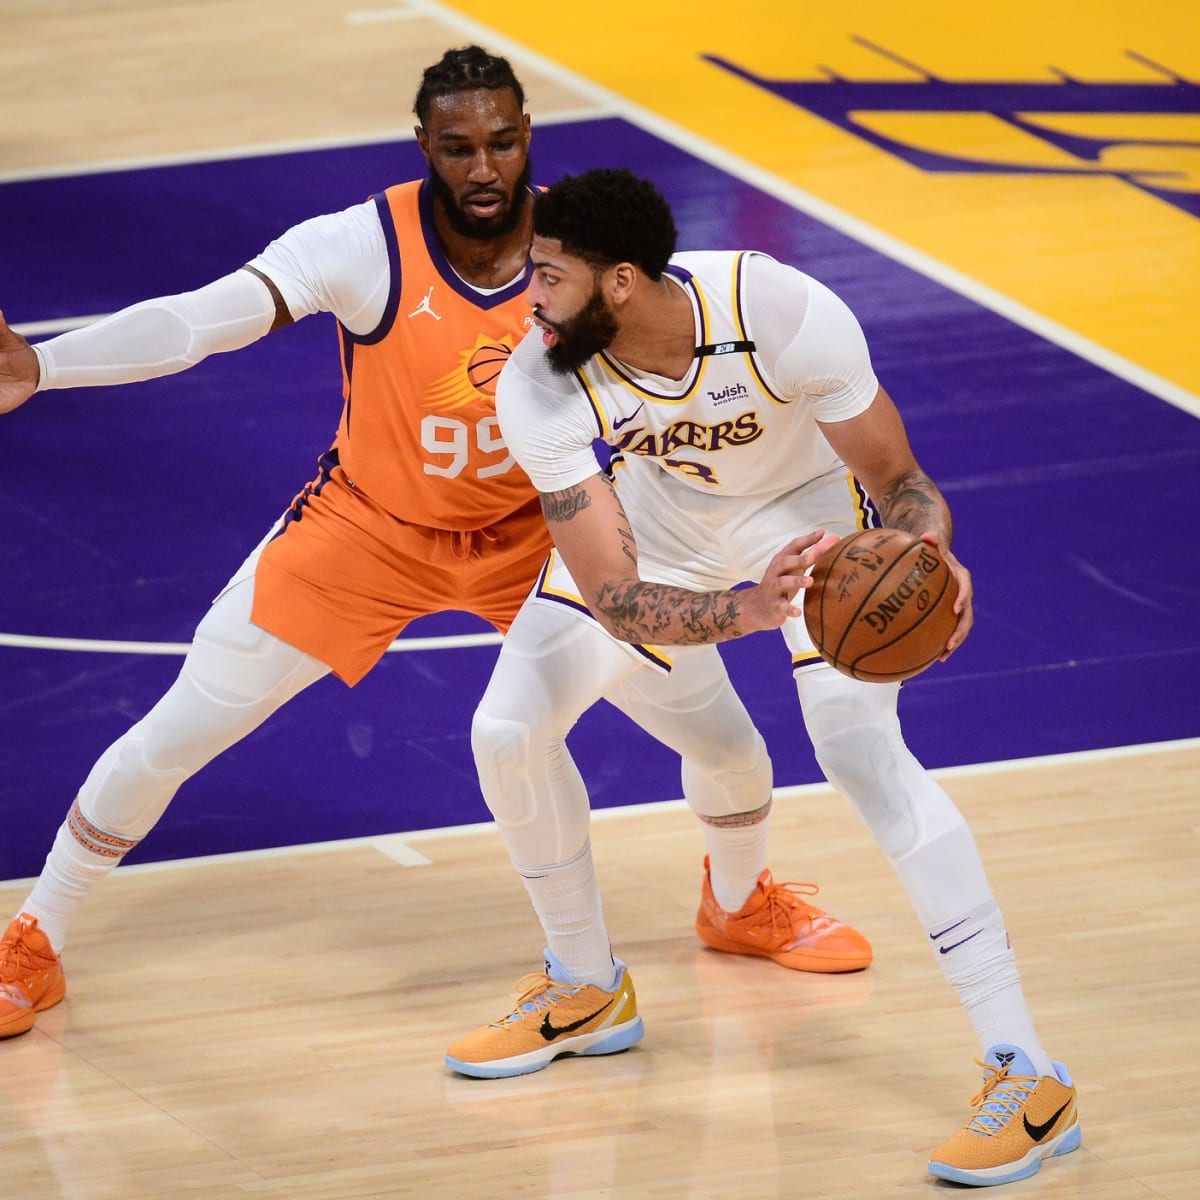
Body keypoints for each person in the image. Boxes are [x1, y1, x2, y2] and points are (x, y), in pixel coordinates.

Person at [0, 51, 868, 1042]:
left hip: (546, 536)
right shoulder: (359, 246)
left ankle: (738, 902)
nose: (483, 167)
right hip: (370, 527)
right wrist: (46, 367)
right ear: (425, 146)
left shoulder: (584, 251)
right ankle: (35, 935)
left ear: (528, 137)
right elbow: (200, 322)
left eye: (501, 142)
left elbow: (686, 357)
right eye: (458, 147)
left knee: (728, 747)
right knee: (179, 730)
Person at [449, 168, 1080, 1189]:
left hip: (810, 522)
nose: (530, 298)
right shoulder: (537, 380)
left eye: (550, 276)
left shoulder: (777, 307)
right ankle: (585, 985)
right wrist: (742, 609)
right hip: (655, 528)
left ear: (620, 282)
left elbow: (897, 480)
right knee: (506, 733)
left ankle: (1030, 1075)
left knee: (859, 751)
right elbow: (615, 596)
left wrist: (927, 552)